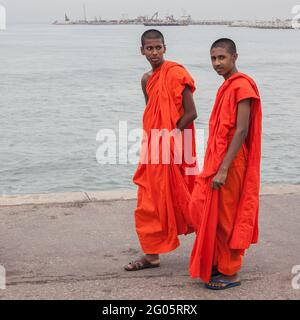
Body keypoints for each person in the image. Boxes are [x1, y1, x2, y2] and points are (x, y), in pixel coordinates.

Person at [189, 38, 262, 290]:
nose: (217, 63)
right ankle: (218, 261)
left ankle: (231, 273)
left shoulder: (242, 86)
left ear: (234, 57)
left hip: (232, 162)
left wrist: (223, 169)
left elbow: (241, 130)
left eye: (222, 57)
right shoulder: (226, 87)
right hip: (220, 160)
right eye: (213, 58)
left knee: (227, 217)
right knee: (202, 208)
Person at [124, 29, 198, 271]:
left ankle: (214, 243)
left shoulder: (176, 73)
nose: (154, 52)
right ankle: (152, 255)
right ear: (142, 51)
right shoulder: (146, 79)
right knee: (148, 201)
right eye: (149, 48)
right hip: (154, 148)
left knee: (184, 196)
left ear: (165, 48)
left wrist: (169, 136)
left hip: (173, 145)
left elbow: (191, 113)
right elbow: (152, 113)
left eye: (158, 47)